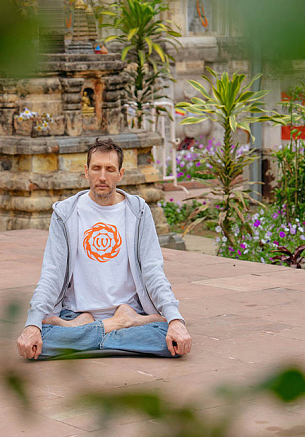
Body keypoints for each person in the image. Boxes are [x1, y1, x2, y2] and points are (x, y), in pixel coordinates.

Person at [16, 138, 192, 360]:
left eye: (110, 169)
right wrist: (32, 324)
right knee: (39, 343)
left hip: (130, 311)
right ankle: (116, 326)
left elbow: (153, 270)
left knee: (171, 341)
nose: (102, 176)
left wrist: (175, 320)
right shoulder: (66, 213)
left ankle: (86, 333)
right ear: (86, 171)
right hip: (76, 314)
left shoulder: (138, 211)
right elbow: (52, 273)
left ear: (120, 174)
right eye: (96, 168)